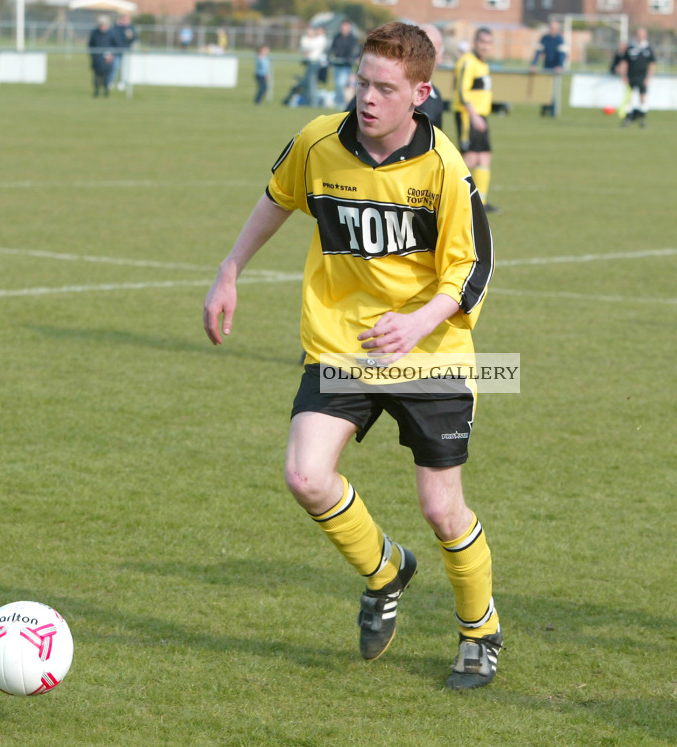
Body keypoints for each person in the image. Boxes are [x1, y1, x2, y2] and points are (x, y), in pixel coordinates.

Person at [203, 21, 501, 691]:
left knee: (441, 507)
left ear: (420, 93)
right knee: (306, 475)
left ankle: (480, 629)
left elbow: (473, 269)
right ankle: (386, 569)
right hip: (341, 343)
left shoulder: (445, 167)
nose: (366, 97)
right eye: (361, 81)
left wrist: (416, 323)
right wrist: (229, 270)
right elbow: (277, 199)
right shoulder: (318, 142)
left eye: (384, 87)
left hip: (432, 356)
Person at [453, 27, 498, 213]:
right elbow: (462, 93)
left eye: (488, 42)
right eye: (482, 42)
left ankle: (481, 202)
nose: (485, 46)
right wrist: (473, 116)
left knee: (485, 156)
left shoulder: (483, 64)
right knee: (470, 157)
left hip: (481, 116)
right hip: (468, 116)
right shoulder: (467, 62)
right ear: (475, 42)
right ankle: (447, 191)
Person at [620, 27, 656, 128]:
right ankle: (628, 118)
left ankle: (642, 119)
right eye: (639, 34)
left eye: (642, 35)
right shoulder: (631, 48)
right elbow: (624, 62)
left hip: (642, 77)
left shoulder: (648, 49)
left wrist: (648, 78)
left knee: (642, 98)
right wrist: (624, 75)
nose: (640, 37)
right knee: (629, 98)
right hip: (631, 76)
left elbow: (652, 64)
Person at [531, 20, 567, 116]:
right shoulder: (544, 38)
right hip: (546, 67)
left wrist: (559, 66)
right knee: (545, 89)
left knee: (554, 90)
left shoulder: (560, 40)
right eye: (552, 28)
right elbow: (538, 52)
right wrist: (534, 64)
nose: (553, 30)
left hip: (555, 68)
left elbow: (562, 55)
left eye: (555, 29)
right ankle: (544, 109)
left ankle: (553, 111)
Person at [417, 23, 446, 130]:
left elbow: (437, 141)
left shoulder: (436, 96)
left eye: (432, 52)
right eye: (421, 50)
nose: (426, 57)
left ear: (441, 57)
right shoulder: (398, 90)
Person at [328, 19, 360, 110]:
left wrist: (349, 58)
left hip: (346, 66)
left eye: (346, 27)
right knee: (337, 84)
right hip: (337, 64)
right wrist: (329, 57)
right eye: (343, 26)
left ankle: (341, 103)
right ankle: (338, 101)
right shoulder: (337, 37)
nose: (344, 29)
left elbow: (353, 52)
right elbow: (332, 48)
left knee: (341, 83)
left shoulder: (352, 39)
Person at [299, 25, 327, 107]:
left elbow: (309, 46)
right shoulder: (316, 38)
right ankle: (308, 102)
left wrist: (309, 37)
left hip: (315, 62)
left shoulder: (321, 39)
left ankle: (313, 103)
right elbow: (303, 47)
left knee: (311, 84)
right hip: (310, 62)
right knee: (308, 83)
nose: (316, 31)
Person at [108, 14, 137, 91]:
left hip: (126, 52)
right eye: (124, 19)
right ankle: (110, 82)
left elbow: (135, 38)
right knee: (114, 67)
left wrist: (131, 37)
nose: (125, 21)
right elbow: (112, 37)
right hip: (116, 51)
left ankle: (122, 82)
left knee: (124, 68)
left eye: (127, 19)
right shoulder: (116, 28)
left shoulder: (130, 28)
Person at [88, 16, 114, 98]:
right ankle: (96, 91)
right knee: (96, 76)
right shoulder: (95, 33)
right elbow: (90, 45)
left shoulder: (110, 34)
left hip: (107, 59)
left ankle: (106, 91)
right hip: (97, 58)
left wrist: (111, 55)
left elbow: (114, 45)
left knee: (106, 76)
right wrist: (93, 56)